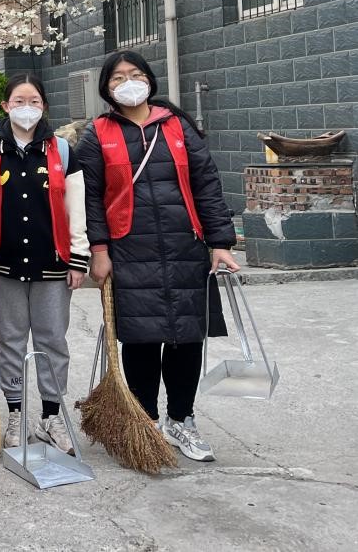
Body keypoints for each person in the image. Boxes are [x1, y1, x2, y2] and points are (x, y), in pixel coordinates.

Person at [76, 50, 239, 463]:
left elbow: (207, 183)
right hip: (129, 250)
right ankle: (145, 423)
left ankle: (181, 419)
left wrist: (220, 241)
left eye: (135, 74)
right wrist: (98, 250)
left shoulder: (177, 125)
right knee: (141, 339)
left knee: (187, 337)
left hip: (185, 247)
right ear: (106, 88)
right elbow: (89, 198)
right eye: (117, 77)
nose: (127, 82)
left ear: (149, 79)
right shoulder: (97, 134)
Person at [0, 74, 89, 455]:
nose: (26, 108)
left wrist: (79, 257)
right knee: (10, 339)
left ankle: (51, 416)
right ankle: (16, 413)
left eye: (34, 101)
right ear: (5, 106)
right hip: (2, 262)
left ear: (44, 106)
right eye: (19, 101)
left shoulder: (63, 151)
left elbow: (76, 207)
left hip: (53, 262)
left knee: (52, 339)